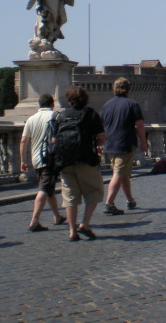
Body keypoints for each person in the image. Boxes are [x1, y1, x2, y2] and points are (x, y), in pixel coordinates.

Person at [57, 86, 106, 241]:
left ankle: (72, 231)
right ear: (86, 99)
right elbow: (102, 138)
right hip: (86, 159)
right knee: (94, 191)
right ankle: (84, 223)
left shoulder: (61, 116)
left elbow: (54, 140)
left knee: (69, 196)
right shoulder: (91, 114)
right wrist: (94, 144)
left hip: (65, 162)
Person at [100, 77, 147, 215]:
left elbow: (100, 125)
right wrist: (143, 141)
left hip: (110, 144)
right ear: (128, 89)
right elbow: (140, 124)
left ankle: (130, 200)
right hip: (125, 143)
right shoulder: (132, 104)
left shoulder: (106, 105)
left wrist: (99, 142)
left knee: (124, 173)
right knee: (119, 173)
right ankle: (109, 203)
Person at [19, 93, 66, 231]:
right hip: (49, 157)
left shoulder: (31, 119)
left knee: (49, 188)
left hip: (36, 159)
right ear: (52, 104)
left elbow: (23, 141)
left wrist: (23, 160)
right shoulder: (55, 116)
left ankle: (57, 216)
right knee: (44, 188)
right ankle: (34, 221)